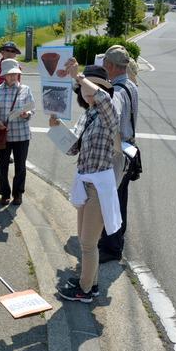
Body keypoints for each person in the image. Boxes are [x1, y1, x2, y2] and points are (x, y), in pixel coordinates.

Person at [55, 63, 121, 303]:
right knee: (84, 239)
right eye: (82, 88)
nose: (86, 91)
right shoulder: (88, 115)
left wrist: (80, 77)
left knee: (88, 242)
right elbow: (72, 148)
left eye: (92, 87)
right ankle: (90, 284)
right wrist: (56, 129)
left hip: (99, 186)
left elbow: (103, 99)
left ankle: (84, 290)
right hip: (85, 182)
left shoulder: (108, 111)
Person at [97, 45, 139, 264]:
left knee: (111, 201)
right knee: (120, 198)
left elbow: (112, 119)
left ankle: (111, 247)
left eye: (105, 64)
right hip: (129, 149)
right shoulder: (131, 85)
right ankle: (116, 241)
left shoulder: (118, 92)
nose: (104, 68)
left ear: (111, 66)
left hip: (117, 152)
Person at [0, 59, 35, 206]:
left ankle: (18, 193)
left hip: (22, 134)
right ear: (4, 75)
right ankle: (4, 194)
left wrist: (27, 114)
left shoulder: (25, 89)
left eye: (15, 74)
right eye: (10, 74)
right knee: (3, 165)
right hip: (4, 134)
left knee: (20, 166)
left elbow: (32, 109)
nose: (13, 77)